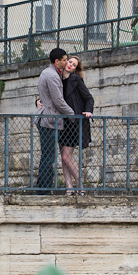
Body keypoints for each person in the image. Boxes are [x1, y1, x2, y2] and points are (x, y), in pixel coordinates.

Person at [36, 48, 74, 194]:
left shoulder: (49, 73)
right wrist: (73, 115)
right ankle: (43, 191)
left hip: (48, 119)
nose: (66, 62)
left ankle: (43, 190)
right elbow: (58, 100)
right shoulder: (52, 75)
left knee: (47, 156)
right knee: (48, 156)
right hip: (49, 121)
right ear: (57, 61)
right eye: (65, 59)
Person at [60, 56, 95, 195]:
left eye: (74, 65)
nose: (70, 65)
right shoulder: (57, 77)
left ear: (75, 68)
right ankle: (69, 187)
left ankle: (80, 186)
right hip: (61, 121)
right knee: (63, 156)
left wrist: (88, 111)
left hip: (74, 122)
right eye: (69, 62)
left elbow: (89, 98)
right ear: (65, 62)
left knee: (66, 157)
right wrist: (38, 101)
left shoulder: (76, 79)